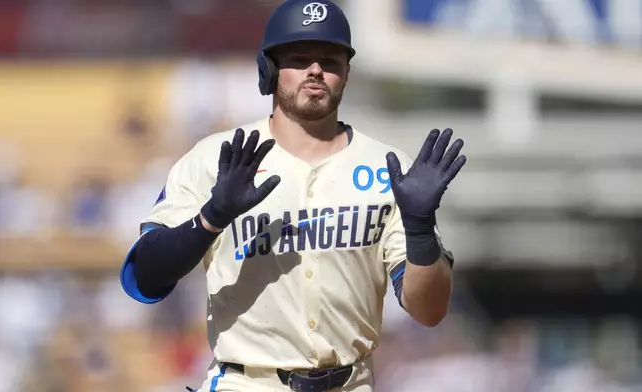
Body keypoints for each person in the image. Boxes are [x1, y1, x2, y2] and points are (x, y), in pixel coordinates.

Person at [119, 1, 467, 391]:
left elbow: (429, 311)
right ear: (269, 69)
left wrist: (420, 229)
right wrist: (211, 218)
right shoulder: (217, 159)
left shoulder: (388, 168)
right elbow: (144, 278)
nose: (316, 70)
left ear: (346, 73)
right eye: (299, 58)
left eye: (330, 60)